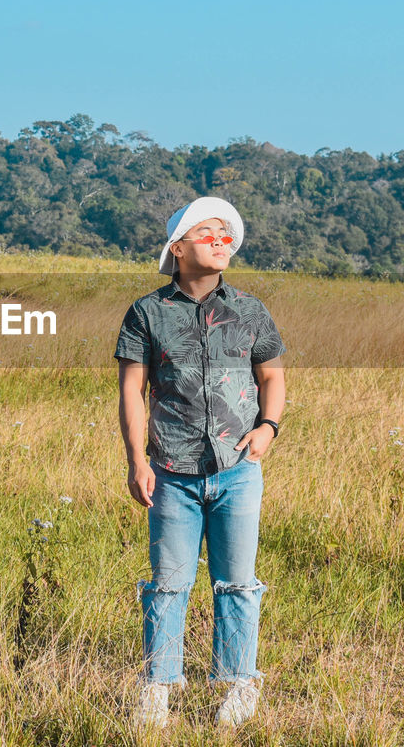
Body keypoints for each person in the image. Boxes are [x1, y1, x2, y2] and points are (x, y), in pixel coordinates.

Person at [114, 196, 286, 730]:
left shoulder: (251, 310)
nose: (221, 239)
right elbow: (131, 392)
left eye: (226, 233)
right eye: (208, 231)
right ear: (178, 247)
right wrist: (137, 461)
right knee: (168, 584)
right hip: (170, 471)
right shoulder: (147, 313)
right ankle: (158, 688)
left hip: (238, 470)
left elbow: (272, 377)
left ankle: (238, 685)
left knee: (237, 583)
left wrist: (268, 428)